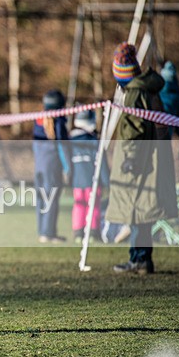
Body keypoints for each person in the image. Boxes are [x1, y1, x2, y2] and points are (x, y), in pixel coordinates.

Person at [106, 42, 177, 274]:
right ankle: (140, 257)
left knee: (137, 209)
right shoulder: (147, 89)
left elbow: (134, 131)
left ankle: (139, 258)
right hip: (152, 156)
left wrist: (131, 160)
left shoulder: (136, 93)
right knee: (141, 211)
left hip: (143, 160)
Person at [33, 90, 71, 243]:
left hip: (39, 165)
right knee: (51, 198)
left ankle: (44, 231)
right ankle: (48, 233)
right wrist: (69, 168)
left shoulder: (38, 120)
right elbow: (63, 146)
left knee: (42, 198)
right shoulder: (58, 122)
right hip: (52, 166)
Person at [69, 109, 107, 243]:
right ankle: (92, 232)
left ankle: (78, 232)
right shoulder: (93, 141)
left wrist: (69, 176)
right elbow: (101, 161)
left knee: (79, 205)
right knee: (93, 205)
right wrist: (106, 180)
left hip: (77, 181)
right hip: (93, 180)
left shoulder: (71, 140)